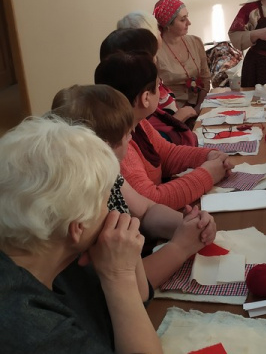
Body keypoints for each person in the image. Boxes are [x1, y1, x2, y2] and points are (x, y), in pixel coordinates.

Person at [0, 116, 162, 353]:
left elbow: (137, 304)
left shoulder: (52, 248)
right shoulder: (32, 329)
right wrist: (119, 275)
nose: (112, 211)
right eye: (106, 202)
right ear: (78, 226)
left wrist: (126, 260)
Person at [51, 84, 216, 288]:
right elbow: (124, 286)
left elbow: (146, 210)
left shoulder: (108, 175)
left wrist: (187, 224)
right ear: (104, 147)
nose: (131, 138)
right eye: (128, 134)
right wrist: (180, 247)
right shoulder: (80, 209)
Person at [94, 50, 233, 210]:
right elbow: (152, 201)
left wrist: (207, 155)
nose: (161, 91)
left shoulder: (139, 123)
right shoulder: (119, 146)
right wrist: (208, 174)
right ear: (146, 98)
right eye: (158, 86)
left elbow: (167, 154)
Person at [100, 27, 198, 146]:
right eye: (153, 56)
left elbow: (167, 149)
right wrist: (180, 117)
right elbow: (162, 144)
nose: (156, 60)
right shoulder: (137, 121)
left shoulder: (142, 118)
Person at [117, 10, 198, 125]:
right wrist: (181, 116)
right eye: (157, 29)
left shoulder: (149, 66)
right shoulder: (144, 77)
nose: (160, 32)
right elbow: (154, 127)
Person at [153, 0, 211, 109]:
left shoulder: (195, 42)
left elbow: (205, 78)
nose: (189, 22)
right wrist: (181, 114)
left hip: (201, 105)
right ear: (167, 25)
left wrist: (199, 107)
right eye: (183, 19)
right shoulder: (156, 52)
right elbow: (156, 91)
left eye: (187, 17)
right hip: (173, 110)